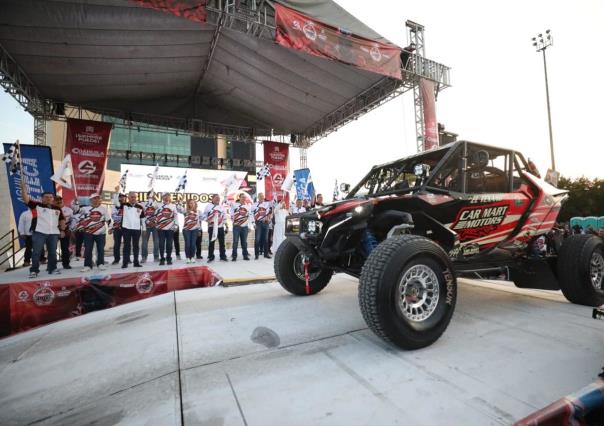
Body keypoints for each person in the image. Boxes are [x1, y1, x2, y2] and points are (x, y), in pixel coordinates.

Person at [20, 179, 65, 278]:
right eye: (46, 197)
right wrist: (23, 188)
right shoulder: (36, 205)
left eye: (50, 197)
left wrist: (62, 230)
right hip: (39, 232)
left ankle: (52, 268)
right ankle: (34, 270)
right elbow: (26, 199)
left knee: (52, 252)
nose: (49, 198)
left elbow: (62, 220)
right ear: (42, 198)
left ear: (53, 198)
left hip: (53, 233)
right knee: (37, 251)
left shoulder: (57, 209)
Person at [79, 193, 110, 272]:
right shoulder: (85, 209)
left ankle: (100, 264)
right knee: (88, 249)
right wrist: (82, 226)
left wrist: (110, 228)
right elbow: (80, 220)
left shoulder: (104, 209)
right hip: (88, 233)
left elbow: (108, 220)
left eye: (97, 198)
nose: (96, 200)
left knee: (100, 249)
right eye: (94, 199)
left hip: (101, 233)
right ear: (90, 200)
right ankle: (87, 265)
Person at [121, 191, 145, 268]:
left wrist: (144, 228)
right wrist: (116, 192)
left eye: (134, 197)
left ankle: (136, 262)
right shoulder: (124, 205)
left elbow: (143, 219)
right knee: (126, 246)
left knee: (136, 246)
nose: (133, 198)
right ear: (128, 198)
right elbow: (116, 204)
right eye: (131, 197)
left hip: (136, 229)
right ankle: (125, 263)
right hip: (126, 228)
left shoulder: (140, 207)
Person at [204, 194, 228, 262]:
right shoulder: (208, 206)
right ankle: (211, 256)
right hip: (212, 227)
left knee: (222, 243)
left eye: (219, 198)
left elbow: (224, 217)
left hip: (220, 227)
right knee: (211, 242)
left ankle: (223, 256)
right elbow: (204, 216)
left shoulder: (222, 207)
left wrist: (226, 226)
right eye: (216, 198)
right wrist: (208, 221)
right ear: (212, 199)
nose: (218, 199)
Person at [155, 192, 177, 265]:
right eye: (164, 197)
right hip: (161, 228)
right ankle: (162, 258)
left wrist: (176, 225)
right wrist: (156, 224)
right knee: (161, 244)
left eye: (168, 197)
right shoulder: (158, 205)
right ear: (162, 198)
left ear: (170, 198)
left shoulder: (173, 206)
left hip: (170, 228)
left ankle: (168, 258)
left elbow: (175, 216)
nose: (166, 198)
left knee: (169, 244)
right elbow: (155, 214)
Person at [230, 193, 252, 261]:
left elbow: (250, 217)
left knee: (244, 242)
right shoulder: (234, 205)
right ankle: (234, 256)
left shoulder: (248, 206)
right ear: (239, 198)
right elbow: (231, 214)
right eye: (242, 197)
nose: (244, 198)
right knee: (235, 242)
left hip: (244, 227)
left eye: (245, 197)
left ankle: (245, 255)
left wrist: (249, 226)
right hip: (236, 226)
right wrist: (233, 221)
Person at [54, 196, 73, 269]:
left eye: (60, 201)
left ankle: (66, 264)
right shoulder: (51, 209)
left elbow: (73, 220)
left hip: (65, 230)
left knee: (65, 248)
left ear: (62, 201)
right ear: (54, 202)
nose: (59, 202)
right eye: (57, 201)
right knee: (52, 248)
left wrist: (70, 229)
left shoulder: (69, 210)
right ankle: (52, 265)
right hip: (53, 230)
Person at [179, 199, 201, 263]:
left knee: (193, 244)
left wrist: (199, 230)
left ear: (195, 204)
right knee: (188, 244)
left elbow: (198, 222)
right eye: (190, 203)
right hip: (186, 230)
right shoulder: (185, 211)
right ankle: (188, 257)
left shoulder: (198, 211)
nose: (192, 204)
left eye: (193, 203)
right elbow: (178, 208)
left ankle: (192, 257)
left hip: (195, 230)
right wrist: (180, 203)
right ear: (188, 204)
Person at [252, 192, 272, 260]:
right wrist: (253, 224)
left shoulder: (267, 204)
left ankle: (266, 254)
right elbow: (251, 215)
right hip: (258, 223)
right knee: (257, 239)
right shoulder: (254, 205)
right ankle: (256, 255)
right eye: (260, 196)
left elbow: (269, 213)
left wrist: (269, 219)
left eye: (262, 196)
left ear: (264, 197)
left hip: (266, 223)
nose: (261, 197)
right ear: (258, 197)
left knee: (266, 239)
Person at [109, 191, 127, 265]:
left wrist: (123, 217)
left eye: (123, 197)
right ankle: (116, 259)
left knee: (127, 244)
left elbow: (129, 216)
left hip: (126, 227)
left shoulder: (127, 205)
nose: (122, 198)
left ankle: (127, 259)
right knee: (117, 244)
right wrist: (123, 217)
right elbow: (114, 216)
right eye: (120, 197)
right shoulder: (114, 206)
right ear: (118, 198)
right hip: (116, 227)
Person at [141, 192, 159, 263]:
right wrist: (148, 222)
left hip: (155, 226)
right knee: (144, 243)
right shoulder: (143, 204)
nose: (152, 196)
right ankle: (144, 257)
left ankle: (156, 257)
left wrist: (154, 222)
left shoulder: (158, 204)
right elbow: (142, 215)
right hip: (146, 226)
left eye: (154, 195)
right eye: (151, 195)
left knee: (156, 242)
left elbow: (159, 215)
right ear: (148, 196)